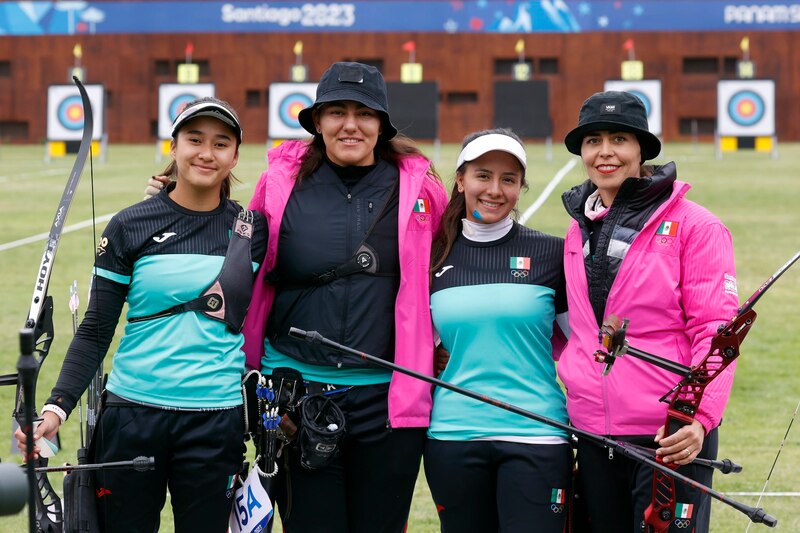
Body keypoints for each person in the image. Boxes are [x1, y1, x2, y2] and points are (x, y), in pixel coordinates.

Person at [16, 97, 267, 532]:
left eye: (220, 143)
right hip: (134, 415)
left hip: (215, 419)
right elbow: (95, 329)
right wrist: (57, 409)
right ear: (173, 146)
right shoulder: (130, 225)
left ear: (235, 156)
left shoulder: (252, 229)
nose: (206, 153)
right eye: (194, 140)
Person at [239, 61, 447, 532]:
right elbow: (238, 255)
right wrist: (169, 203)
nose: (350, 124)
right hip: (295, 396)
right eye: (336, 111)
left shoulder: (420, 190)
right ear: (317, 121)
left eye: (364, 113)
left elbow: (454, 260)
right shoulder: (279, 184)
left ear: (382, 125)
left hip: (388, 399)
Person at [558, 91, 738, 532]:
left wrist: (698, 418)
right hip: (595, 433)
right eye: (593, 140)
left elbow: (716, 332)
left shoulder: (697, 225)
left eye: (619, 139)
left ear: (642, 150)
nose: (605, 152)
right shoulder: (577, 227)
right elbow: (575, 328)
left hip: (670, 436)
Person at [424, 128, 573, 532]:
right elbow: (415, 339)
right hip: (454, 435)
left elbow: (580, 346)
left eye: (508, 180)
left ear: (520, 188)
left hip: (538, 432)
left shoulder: (552, 254)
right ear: (461, 180)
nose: (494, 189)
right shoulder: (431, 254)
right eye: (482, 175)